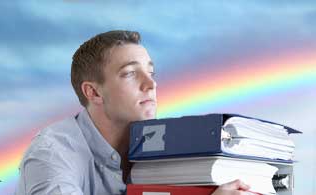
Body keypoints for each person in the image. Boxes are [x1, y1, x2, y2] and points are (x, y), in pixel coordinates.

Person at [15, 30, 250, 195]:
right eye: (129, 73)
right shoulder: (52, 154)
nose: (151, 84)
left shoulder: (164, 149)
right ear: (94, 93)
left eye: (152, 73)